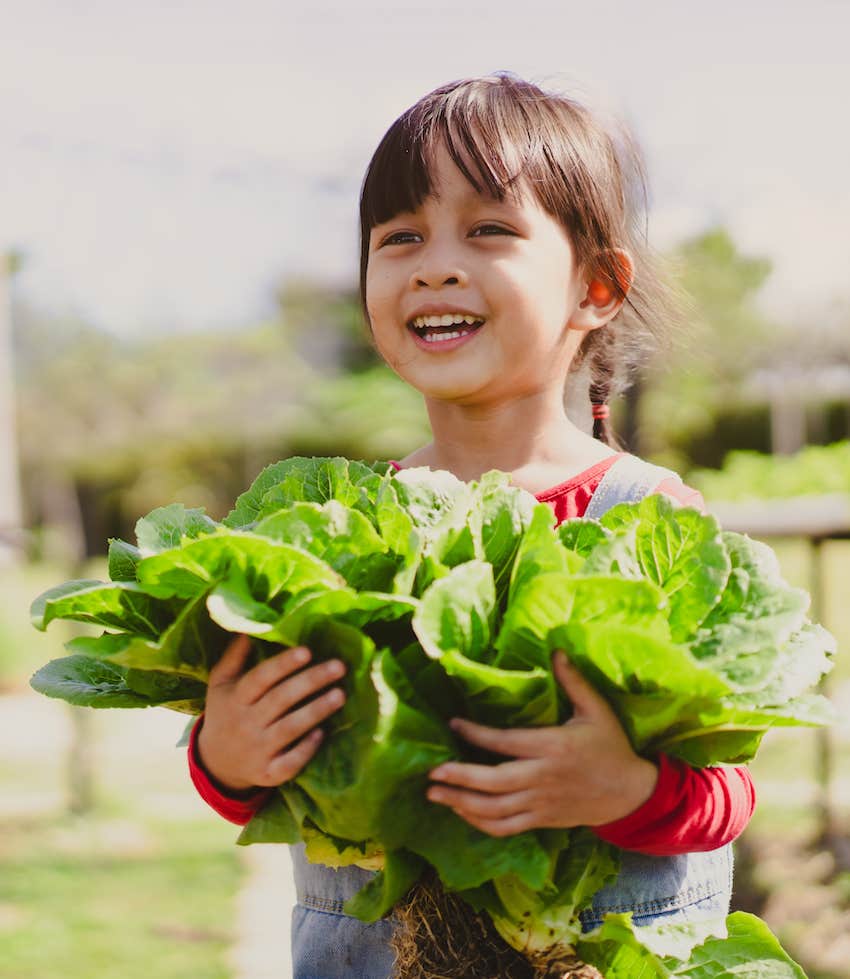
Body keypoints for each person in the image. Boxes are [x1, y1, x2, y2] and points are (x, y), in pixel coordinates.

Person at [188, 73, 756, 977]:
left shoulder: (654, 522)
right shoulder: (334, 533)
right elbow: (255, 774)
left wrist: (626, 788)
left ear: (598, 286)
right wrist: (224, 755)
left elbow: (731, 786)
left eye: (489, 230)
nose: (435, 263)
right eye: (400, 236)